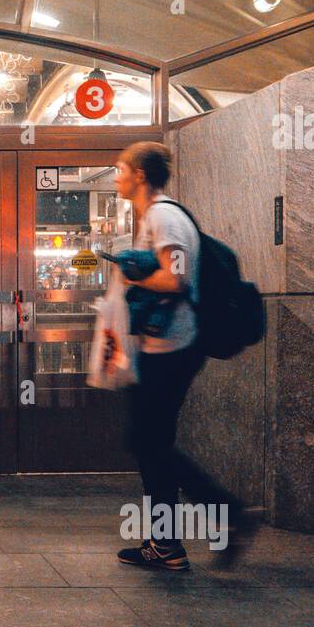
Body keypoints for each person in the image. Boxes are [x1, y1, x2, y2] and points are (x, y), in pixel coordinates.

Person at [111, 141, 203, 572]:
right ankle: (164, 543)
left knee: (150, 444)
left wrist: (136, 279)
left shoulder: (164, 216)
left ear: (140, 175)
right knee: (149, 443)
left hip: (171, 350)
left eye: (120, 169)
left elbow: (177, 279)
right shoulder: (156, 215)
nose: (116, 177)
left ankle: (175, 538)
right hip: (162, 347)